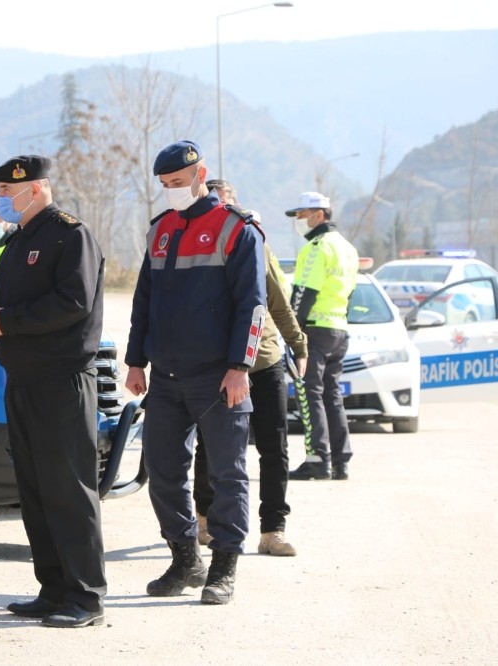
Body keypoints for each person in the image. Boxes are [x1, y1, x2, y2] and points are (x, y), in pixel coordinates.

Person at [0, 155, 106, 628]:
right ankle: (54, 587)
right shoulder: (20, 241)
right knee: (36, 490)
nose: (2, 198)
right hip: (22, 379)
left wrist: (8, 320)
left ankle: (85, 596)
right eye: (0, 189)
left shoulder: (70, 235)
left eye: (9, 190)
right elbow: (12, 307)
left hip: (62, 381)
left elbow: (73, 301)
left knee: (69, 489)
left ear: (35, 190)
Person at [125, 141, 266, 605]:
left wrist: (239, 367)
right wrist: (135, 361)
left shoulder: (236, 230)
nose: (172, 192)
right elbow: (143, 300)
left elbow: (252, 306)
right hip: (164, 377)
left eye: (179, 183)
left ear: (200, 174)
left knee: (228, 474)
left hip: (218, 376)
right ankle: (185, 558)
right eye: (165, 186)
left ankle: (224, 565)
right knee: (164, 472)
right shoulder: (160, 230)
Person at [191, 179, 308, 557]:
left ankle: (273, 529)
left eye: (225, 205)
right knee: (212, 446)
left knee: (274, 448)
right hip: (218, 365)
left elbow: (277, 301)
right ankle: (205, 519)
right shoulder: (198, 251)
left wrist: (299, 344)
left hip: (263, 360)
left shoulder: (254, 242)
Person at [285, 191, 359, 481]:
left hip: (314, 328)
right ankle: (341, 461)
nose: (298, 221)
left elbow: (304, 292)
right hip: (339, 327)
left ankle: (317, 458)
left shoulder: (317, 247)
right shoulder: (347, 248)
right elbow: (350, 292)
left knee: (309, 393)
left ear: (318, 215)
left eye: (301, 215)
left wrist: (293, 330)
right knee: (332, 395)